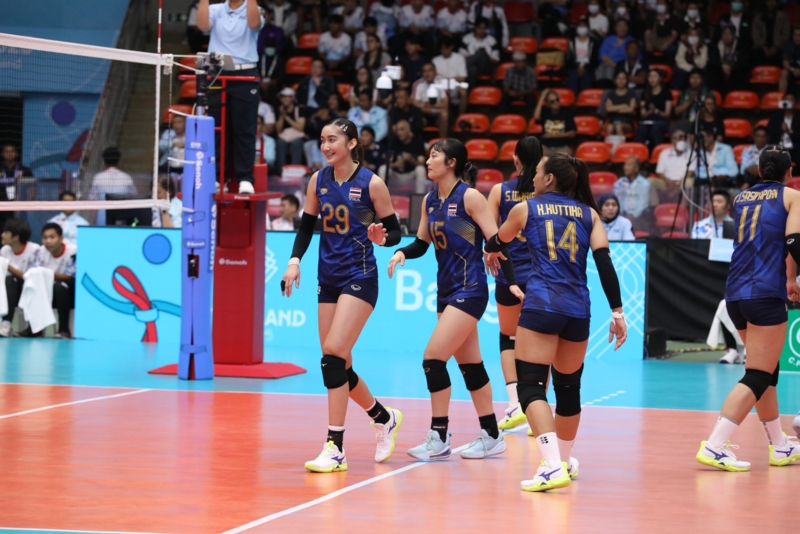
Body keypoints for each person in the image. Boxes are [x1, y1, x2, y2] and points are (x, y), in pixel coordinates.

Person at [483, 153, 627, 491]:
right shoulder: (590, 214)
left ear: (549, 179)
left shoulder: (526, 208)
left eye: (538, 172)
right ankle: (562, 461)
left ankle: (550, 467)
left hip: (542, 306)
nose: (532, 176)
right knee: (568, 388)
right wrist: (617, 312)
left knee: (530, 386)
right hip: (578, 311)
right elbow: (605, 264)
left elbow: (497, 241)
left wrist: (491, 249)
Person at [281, 118, 403, 473]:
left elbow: (395, 231)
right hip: (328, 278)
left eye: (332, 139)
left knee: (334, 352)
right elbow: (306, 227)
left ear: (351, 143)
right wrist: (294, 261)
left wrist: (383, 239)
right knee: (336, 363)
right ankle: (383, 417)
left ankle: (335, 447)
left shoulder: (371, 183)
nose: (326, 146)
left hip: (360, 276)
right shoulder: (318, 180)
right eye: (322, 140)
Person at [388, 139, 509, 461]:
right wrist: (401, 252)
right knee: (471, 365)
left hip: (470, 289)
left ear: (451, 162)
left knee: (433, 358)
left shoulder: (470, 197)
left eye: (434, 156)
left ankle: (439, 435)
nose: (428, 161)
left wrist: (507, 276)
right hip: (445, 291)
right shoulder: (430, 200)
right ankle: (492, 434)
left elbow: (497, 239)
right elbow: (421, 243)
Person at [696, 145, 800, 472]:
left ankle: (780, 446)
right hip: (765, 292)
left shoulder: (741, 198)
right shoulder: (792, 196)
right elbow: (794, 241)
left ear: (758, 171)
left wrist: (789, 277)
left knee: (766, 371)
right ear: (790, 172)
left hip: (735, 294)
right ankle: (714, 445)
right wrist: (792, 278)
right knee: (758, 374)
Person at [486, 136, 542, 431]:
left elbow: (489, 234)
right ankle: (537, 412)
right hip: (542, 276)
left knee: (508, 337)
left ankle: (514, 404)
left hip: (509, 274)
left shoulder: (500, 190)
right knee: (542, 339)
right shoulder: (547, 192)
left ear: (515, 159)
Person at [197, 0, 263, 195]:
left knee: (244, 129)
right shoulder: (216, 10)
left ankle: (245, 178)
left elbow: (254, 24)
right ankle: (218, 178)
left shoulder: (255, 9)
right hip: (218, 73)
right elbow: (202, 26)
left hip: (245, 74)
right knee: (217, 128)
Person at [32, 223, 77, 339]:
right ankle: (35, 329)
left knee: (60, 286)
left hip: (69, 292)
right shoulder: (40, 251)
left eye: (52, 237)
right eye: (45, 237)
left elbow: (70, 277)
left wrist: (47, 273)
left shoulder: (73, 251)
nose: (48, 241)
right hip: (47, 290)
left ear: (61, 238)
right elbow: (36, 272)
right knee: (34, 285)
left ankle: (64, 330)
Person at [0, 219, 41, 337]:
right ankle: (5, 324)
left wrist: (6, 265)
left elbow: (31, 278)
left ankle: (7, 324)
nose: (2, 235)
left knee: (11, 280)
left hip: (30, 289)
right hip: (10, 291)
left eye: (6, 232)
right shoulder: (4, 250)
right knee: (9, 281)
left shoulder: (34, 250)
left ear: (16, 237)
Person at [89, 147, 136, 226]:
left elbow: (93, 203)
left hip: (102, 221)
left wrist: (92, 224)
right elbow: (134, 200)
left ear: (104, 160)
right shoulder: (127, 178)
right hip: (122, 220)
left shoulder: (98, 178)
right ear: (119, 160)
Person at [382, 120, 428, 193]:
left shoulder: (418, 142)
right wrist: (395, 164)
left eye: (402, 129)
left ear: (408, 130)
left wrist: (411, 159)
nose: (399, 132)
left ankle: (419, 198)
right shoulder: (393, 142)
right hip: (396, 176)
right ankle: (382, 196)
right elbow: (387, 163)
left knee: (420, 169)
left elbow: (422, 163)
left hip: (411, 176)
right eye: (397, 130)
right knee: (383, 168)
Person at [634, 68, 672, 149]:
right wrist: (650, 112)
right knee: (641, 128)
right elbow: (643, 114)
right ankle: (639, 151)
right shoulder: (645, 93)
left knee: (655, 129)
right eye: (650, 76)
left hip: (661, 120)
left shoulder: (666, 93)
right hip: (648, 120)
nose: (652, 79)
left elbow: (667, 114)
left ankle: (659, 151)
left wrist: (656, 111)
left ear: (660, 78)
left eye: (654, 76)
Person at [708, 25, 750, 93]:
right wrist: (722, 66)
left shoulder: (741, 46)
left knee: (741, 73)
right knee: (713, 72)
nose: (726, 36)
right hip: (720, 71)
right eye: (724, 34)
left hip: (735, 72)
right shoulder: (715, 45)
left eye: (729, 34)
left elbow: (744, 62)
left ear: (734, 35)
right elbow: (713, 61)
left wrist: (731, 68)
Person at [432, 37, 469, 117]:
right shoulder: (435, 60)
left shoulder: (459, 58)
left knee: (463, 91)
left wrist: (446, 78)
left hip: (455, 86)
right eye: (442, 49)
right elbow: (434, 78)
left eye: (446, 48)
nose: (444, 51)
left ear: (451, 47)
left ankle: (461, 117)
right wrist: (453, 78)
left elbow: (462, 78)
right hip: (441, 86)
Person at [535, 89, 577, 156]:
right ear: (548, 104)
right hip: (546, 147)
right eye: (552, 101)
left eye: (557, 100)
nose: (556, 102)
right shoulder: (545, 112)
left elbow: (572, 133)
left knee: (565, 158)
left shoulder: (566, 113)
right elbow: (536, 117)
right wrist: (542, 97)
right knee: (535, 155)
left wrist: (554, 135)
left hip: (562, 147)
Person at [460, 20, 499, 92]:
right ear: (475, 28)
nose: (481, 30)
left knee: (481, 52)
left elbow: (496, 60)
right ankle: (471, 93)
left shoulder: (492, 40)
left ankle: (460, 69)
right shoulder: (467, 38)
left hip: (486, 66)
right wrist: (476, 57)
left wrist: (481, 56)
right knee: (473, 69)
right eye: (479, 28)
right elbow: (462, 57)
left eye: (484, 28)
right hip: (471, 67)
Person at [412, 63, 449, 137]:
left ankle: (442, 141)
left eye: (430, 70)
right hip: (423, 114)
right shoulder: (417, 84)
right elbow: (415, 104)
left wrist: (426, 105)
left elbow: (445, 104)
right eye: (424, 71)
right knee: (416, 114)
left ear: (435, 71)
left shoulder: (441, 83)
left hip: (437, 114)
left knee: (445, 114)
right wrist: (436, 106)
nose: (427, 74)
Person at [275, 87, 307, 172]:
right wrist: (282, 115)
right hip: (285, 137)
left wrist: (286, 117)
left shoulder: (299, 109)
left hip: (297, 136)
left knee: (296, 143)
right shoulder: (280, 110)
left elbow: (300, 127)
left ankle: (295, 170)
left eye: (287, 97)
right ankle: (281, 170)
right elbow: (278, 130)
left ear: (292, 98)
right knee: (280, 143)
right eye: (283, 97)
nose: (284, 99)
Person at [751, 0, 790, 68]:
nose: (771, 3)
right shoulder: (758, 17)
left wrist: (776, 46)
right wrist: (764, 47)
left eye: (773, 1)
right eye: (769, 1)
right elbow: (755, 34)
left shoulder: (783, 17)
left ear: (777, 3)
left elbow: (785, 34)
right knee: (756, 53)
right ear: (765, 2)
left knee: (782, 53)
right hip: (761, 47)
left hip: (778, 47)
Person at [767, 92, 800, 167]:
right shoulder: (776, 117)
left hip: (795, 150)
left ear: (796, 103)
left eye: (791, 100)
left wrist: (789, 132)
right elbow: (770, 132)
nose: (788, 101)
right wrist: (780, 130)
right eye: (786, 99)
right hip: (778, 148)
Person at [567, 19, 599, 95]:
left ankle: (585, 98)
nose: (582, 28)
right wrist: (578, 66)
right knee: (573, 76)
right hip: (574, 66)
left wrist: (584, 67)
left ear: (588, 28)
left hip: (589, 67)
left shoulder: (593, 42)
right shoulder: (572, 41)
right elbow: (568, 59)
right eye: (580, 26)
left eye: (584, 26)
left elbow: (595, 59)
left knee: (586, 76)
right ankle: (572, 98)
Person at [604, 70, 638, 137]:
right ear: (615, 80)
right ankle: (609, 144)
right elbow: (608, 109)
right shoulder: (611, 94)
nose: (621, 81)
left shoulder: (631, 93)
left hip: (627, 122)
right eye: (619, 78)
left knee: (618, 126)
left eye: (623, 78)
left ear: (627, 80)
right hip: (613, 120)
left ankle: (620, 144)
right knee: (609, 127)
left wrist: (615, 109)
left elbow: (631, 109)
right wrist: (624, 106)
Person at [503, 51, 537, 117]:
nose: (520, 64)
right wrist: (509, 91)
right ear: (514, 62)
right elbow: (505, 86)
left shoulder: (530, 71)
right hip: (513, 92)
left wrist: (518, 93)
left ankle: (531, 117)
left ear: (525, 62)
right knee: (505, 96)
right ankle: (504, 116)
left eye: (522, 62)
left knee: (531, 97)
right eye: (518, 62)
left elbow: (533, 89)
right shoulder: (509, 70)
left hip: (525, 93)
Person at [780, 25, 800, 93]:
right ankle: (782, 96)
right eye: (795, 35)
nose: (796, 38)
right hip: (792, 70)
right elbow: (785, 63)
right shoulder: (788, 46)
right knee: (784, 72)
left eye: (799, 35)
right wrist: (793, 70)